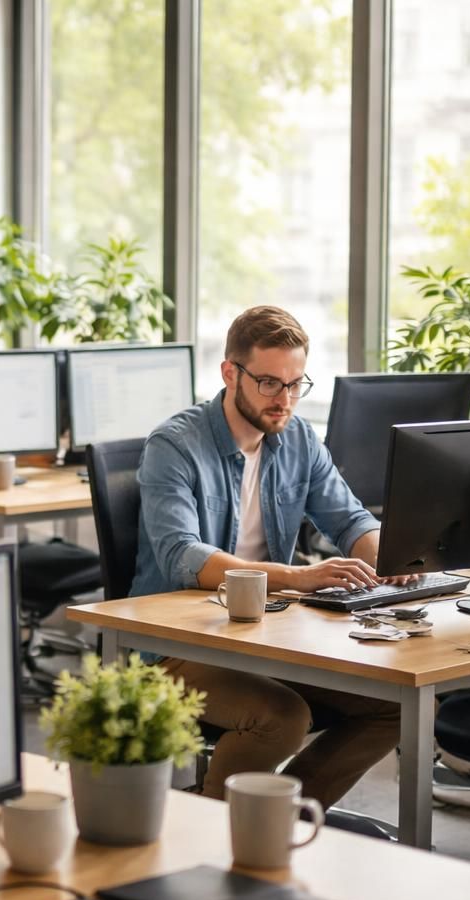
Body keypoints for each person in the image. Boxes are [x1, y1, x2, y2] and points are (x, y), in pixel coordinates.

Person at [132, 305, 404, 809]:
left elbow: (349, 520)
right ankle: (220, 833)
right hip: (175, 647)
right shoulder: (174, 444)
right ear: (229, 372)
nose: (285, 400)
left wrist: (396, 558)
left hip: (264, 638)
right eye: (269, 384)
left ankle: (276, 818)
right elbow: (182, 557)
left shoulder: (297, 437)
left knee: (392, 705)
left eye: (297, 384)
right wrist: (299, 578)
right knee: (280, 717)